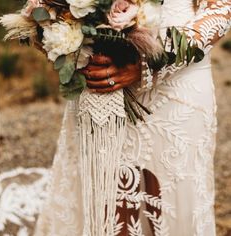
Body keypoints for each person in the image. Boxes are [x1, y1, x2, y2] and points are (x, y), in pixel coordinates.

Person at [34, 0, 231, 235]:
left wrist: (153, 61)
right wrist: (60, 35)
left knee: (171, 196)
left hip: (178, 78)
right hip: (98, 70)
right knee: (104, 197)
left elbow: (221, 8)